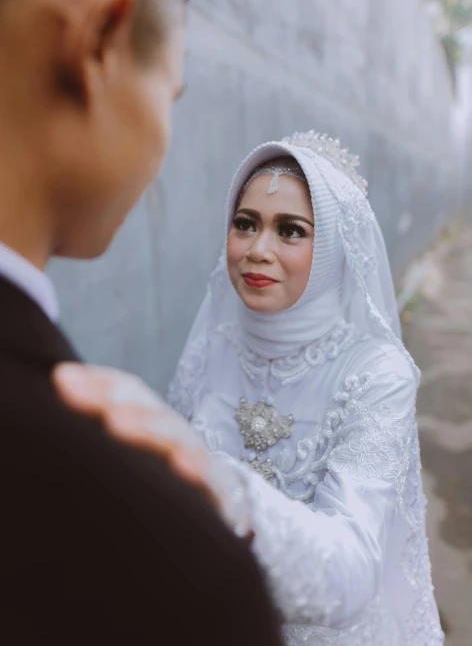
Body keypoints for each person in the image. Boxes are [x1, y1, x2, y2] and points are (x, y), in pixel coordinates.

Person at [0, 0, 283, 644]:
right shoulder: (158, 565)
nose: (260, 248)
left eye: (292, 229)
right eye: (172, 90)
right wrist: (195, 517)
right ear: (101, 39)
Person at [59, 132, 445, 645]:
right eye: (245, 225)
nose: (258, 250)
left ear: (333, 246)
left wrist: (217, 487)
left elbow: (352, 567)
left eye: (290, 231)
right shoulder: (217, 339)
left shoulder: (377, 375)